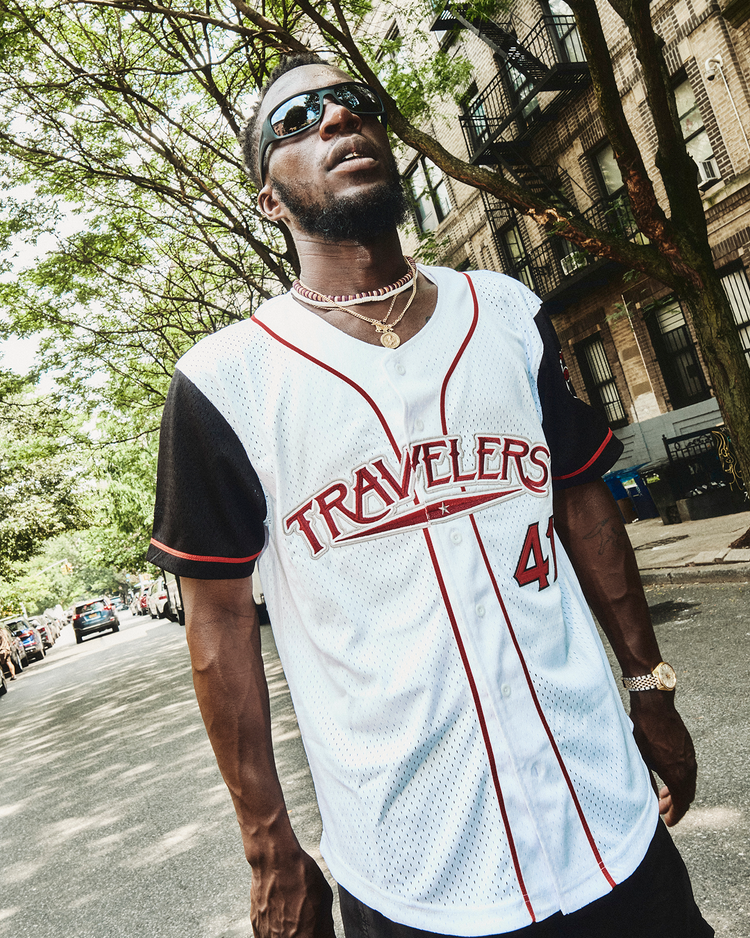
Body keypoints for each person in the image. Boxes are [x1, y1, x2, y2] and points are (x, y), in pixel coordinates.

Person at [147, 54, 712, 938]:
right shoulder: (225, 382)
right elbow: (217, 621)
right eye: (295, 121)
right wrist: (271, 847)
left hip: (604, 813)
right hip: (416, 865)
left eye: (353, 105)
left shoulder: (508, 312)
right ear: (268, 198)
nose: (334, 121)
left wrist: (650, 684)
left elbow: (583, 505)